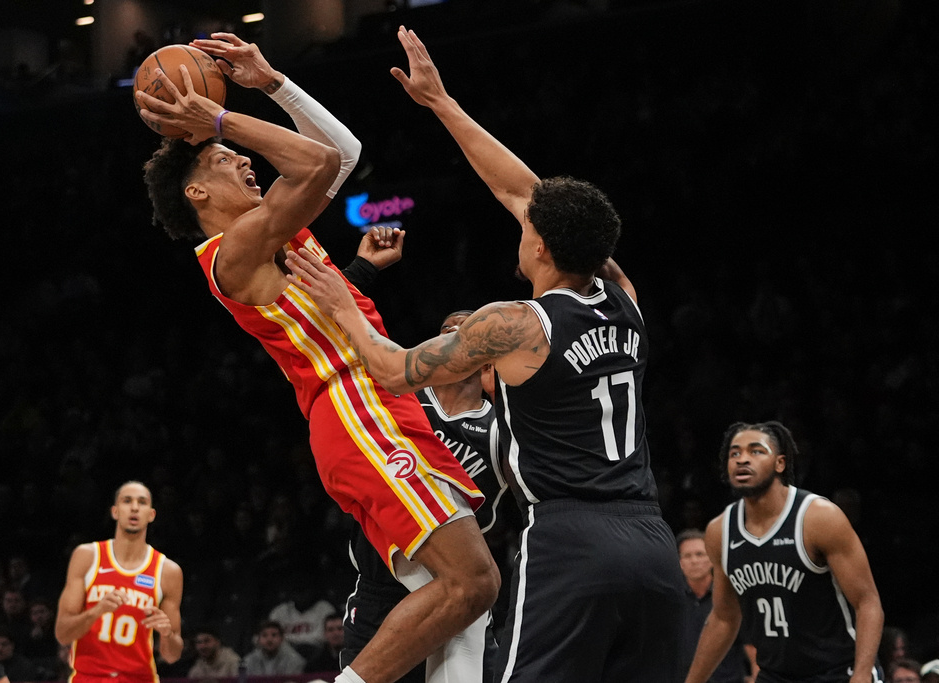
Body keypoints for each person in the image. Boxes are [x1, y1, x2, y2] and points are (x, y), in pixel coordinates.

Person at [284, 25, 686, 682]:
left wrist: (343, 302)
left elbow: (391, 369)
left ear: (542, 247)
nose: (521, 226)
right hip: (652, 540)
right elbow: (527, 195)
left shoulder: (517, 324)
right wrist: (441, 103)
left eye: (530, 228)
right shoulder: (625, 298)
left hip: (570, 540)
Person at [138, 31, 499, 683]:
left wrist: (273, 82)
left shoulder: (278, 229)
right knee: (472, 580)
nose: (244, 159)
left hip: (383, 399)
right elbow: (314, 161)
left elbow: (342, 155)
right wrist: (219, 119)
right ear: (196, 194)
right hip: (357, 411)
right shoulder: (231, 253)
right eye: (223, 159)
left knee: (461, 607)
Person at [341, 310, 506, 683]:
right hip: (382, 585)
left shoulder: (501, 428)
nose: (453, 334)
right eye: (446, 329)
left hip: (455, 585)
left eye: (466, 329)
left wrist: (508, 399)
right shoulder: (399, 399)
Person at [684, 421, 885, 683]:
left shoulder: (818, 518)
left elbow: (867, 602)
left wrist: (862, 675)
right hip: (775, 675)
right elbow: (724, 617)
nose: (742, 459)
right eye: (735, 453)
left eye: (756, 451)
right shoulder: (719, 531)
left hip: (837, 671)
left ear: (780, 463)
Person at [54, 481, 184, 683]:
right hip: (89, 677)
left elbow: (172, 656)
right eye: (127, 501)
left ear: (151, 515)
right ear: (115, 512)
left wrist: (167, 634)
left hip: (139, 679)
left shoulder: (168, 571)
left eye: (142, 502)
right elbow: (63, 634)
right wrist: (96, 611)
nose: (134, 507)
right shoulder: (87, 556)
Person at [677, 529, 751, 683]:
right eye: (687, 556)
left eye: (699, 554)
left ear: (711, 558)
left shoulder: (730, 596)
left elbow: (751, 645)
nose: (694, 561)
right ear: (680, 562)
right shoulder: (671, 600)